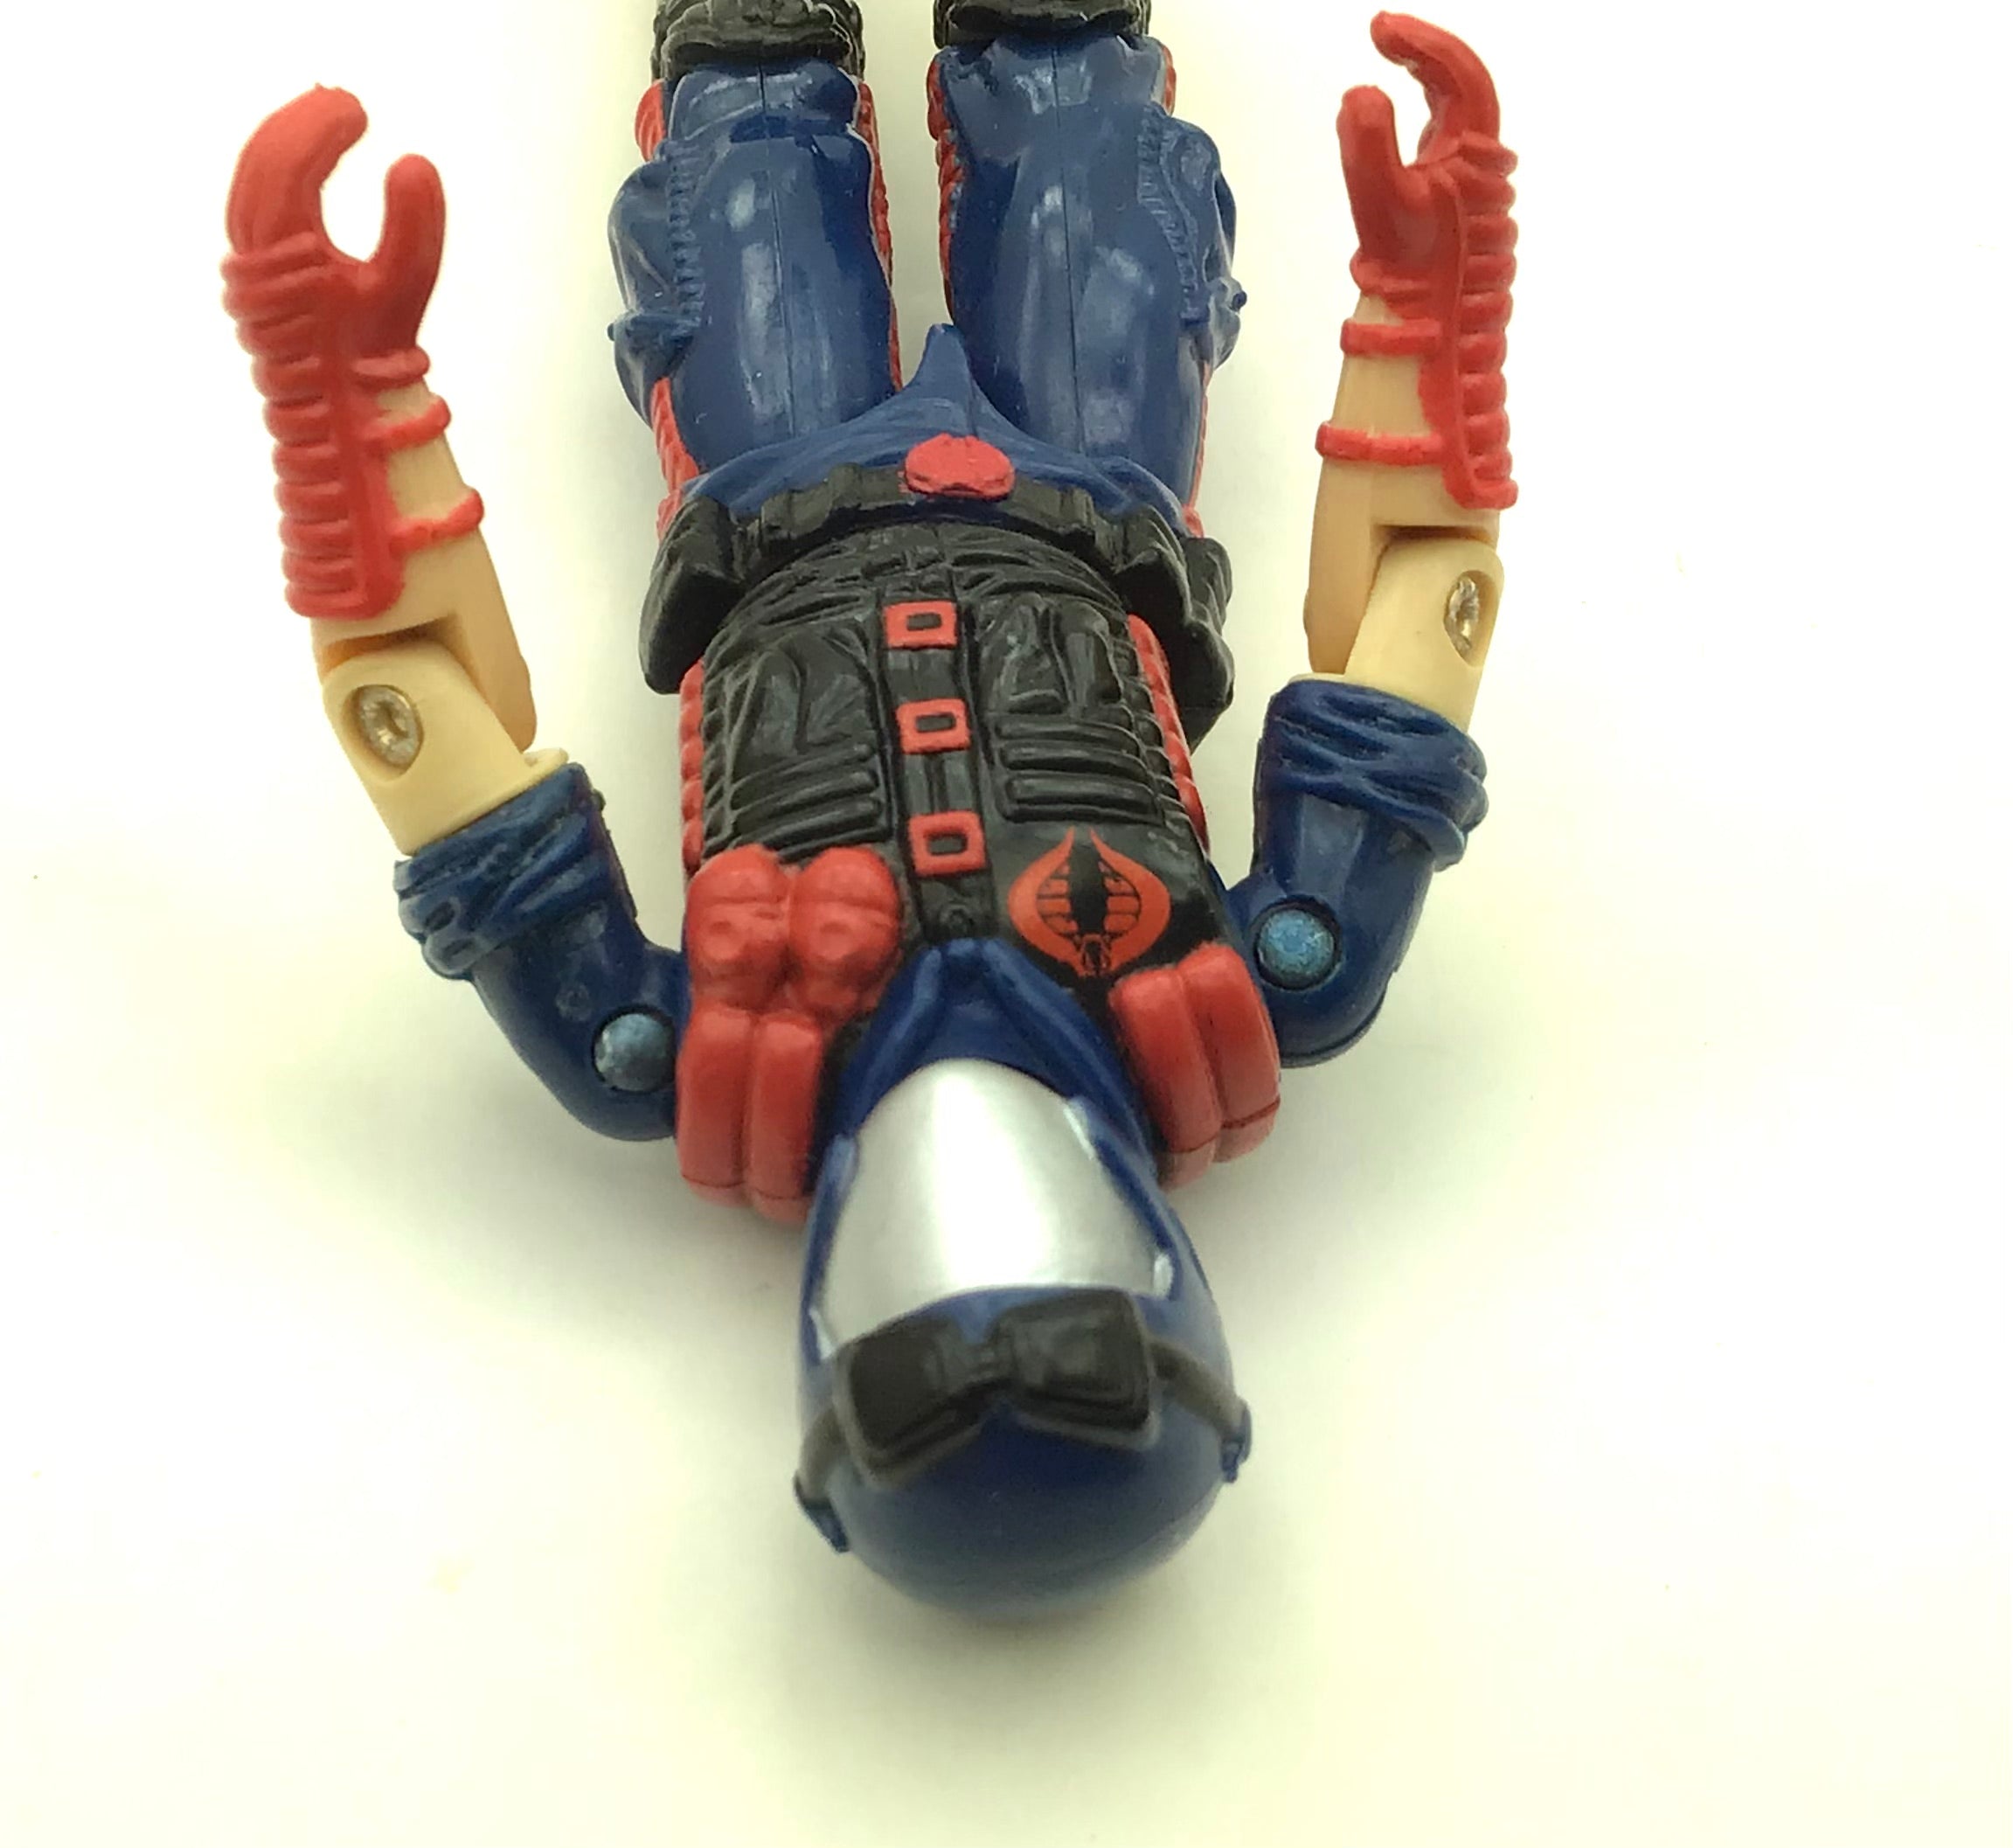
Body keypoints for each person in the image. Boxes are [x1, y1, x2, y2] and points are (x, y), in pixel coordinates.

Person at [222, 2, 1515, 1613]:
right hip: (1086, 491)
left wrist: (348, 421)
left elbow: (417, 716)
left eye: (913, 1299)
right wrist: (1428, 327)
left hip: (776, 502)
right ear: (1159, 1282)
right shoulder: (1272, 966)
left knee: (749, 132)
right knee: (1081, 122)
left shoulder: (658, 1043)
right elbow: (1419, 605)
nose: (969, 1212)